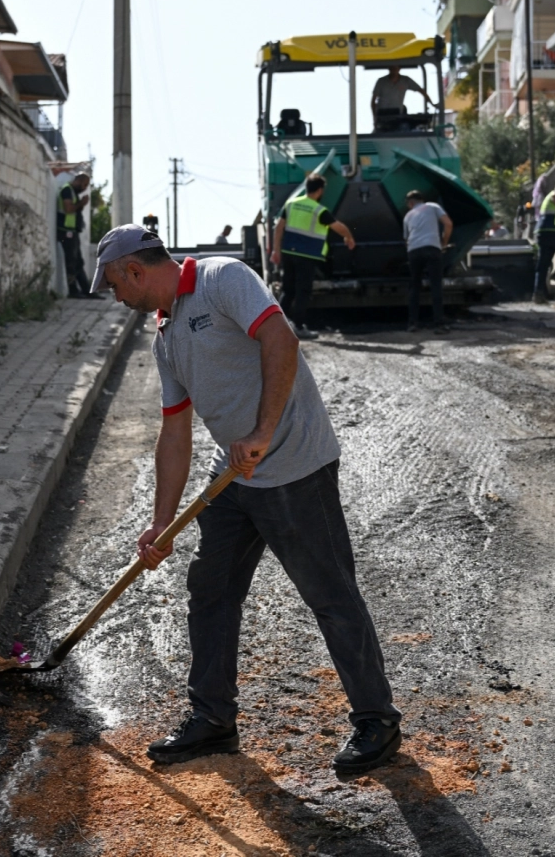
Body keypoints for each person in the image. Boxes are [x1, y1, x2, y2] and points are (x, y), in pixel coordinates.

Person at [90, 225, 403, 774]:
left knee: (329, 593)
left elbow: (281, 339)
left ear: (133, 272)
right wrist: (161, 523)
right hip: (234, 477)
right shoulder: (165, 337)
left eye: (114, 286)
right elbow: (175, 433)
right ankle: (213, 720)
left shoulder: (222, 278)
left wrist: (262, 431)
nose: (116, 297)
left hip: (294, 466)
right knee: (210, 590)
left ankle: (377, 720)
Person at [269, 173, 356, 340]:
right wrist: (349, 237)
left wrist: (276, 250)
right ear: (320, 190)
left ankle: (273, 326)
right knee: (303, 291)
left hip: (288, 252)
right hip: (307, 255)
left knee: (288, 289)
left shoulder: (291, 204)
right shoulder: (318, 210)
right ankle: (299, 326)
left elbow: (279, 227)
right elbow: (338, 227)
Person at [403, 190, 452, 333]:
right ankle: (438, 324)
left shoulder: (407, 216)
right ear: (421, 200)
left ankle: (412, 323)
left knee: (415, 286)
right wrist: (443, 242)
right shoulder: (433, 206)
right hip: (432, 248)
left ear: (411, 203)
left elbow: (406, 240)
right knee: (435, 285)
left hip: (414, 251)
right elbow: (448, 224)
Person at [57, 172, 91, 298]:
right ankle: (73, 291)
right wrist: (81, 203)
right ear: (79, 180)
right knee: (71, 262)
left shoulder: (72, 191)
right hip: (66, 231)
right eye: (84, 184)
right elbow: (69, 209)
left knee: (78, 262)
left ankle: (86, 291)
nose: (85, 188)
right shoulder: (67, 190)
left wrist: (81, 204)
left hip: (72, 231)